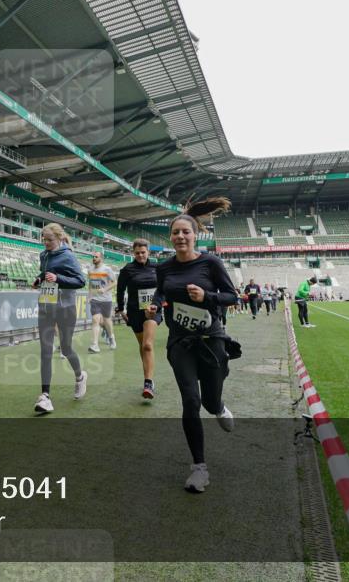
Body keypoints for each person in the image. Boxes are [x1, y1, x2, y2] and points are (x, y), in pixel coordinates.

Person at [147, 198, 238, 493]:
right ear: (171, 237)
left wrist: (206, 298)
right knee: (190, 401)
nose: (180, 237)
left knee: (209, 403)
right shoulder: (164, 267)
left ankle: (220, 406)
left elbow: (231, 297)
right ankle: (199, 468)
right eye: (175, 233)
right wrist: (156, 309)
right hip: (180, 342)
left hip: (211, 339)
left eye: (185, 232)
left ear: (195, 234)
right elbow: (160, 295)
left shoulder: (210, 262)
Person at [32, 223, 87, 414]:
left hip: (66, 308)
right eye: (44, 240)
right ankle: (45, 396)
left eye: (49, 240)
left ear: (59, 238)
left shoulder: (69, 256)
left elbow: (80, 281)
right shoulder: (43, 255)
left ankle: (80, 376)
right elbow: (44, 273)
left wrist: (58, 279)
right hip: (46, 306)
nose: (46, 243)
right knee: (45, 351)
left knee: (66, 347)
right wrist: (39, 280)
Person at [116, 239, 161, 399]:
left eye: (143, 252)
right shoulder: (127, 270)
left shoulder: (157, 267)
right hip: (135, 312)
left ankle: (148, 382)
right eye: (137, 253)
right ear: (133, 253)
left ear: (148, 252)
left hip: (153, 311)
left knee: (148, 345)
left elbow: (163, 287)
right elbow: (120, 290)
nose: (141, 255)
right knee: (143, 346)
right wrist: (121, 309)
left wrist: (161, 303)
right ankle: (147, 378)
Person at [87, 251, 117, 353]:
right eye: (93, 256)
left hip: (106, 299)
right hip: (95, 299)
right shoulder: (90, 270)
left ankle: (111, 337)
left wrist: (105, 289)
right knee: (95, 320)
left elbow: (114, 282)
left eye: (96, 256)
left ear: (101, 258)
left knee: (107, 321)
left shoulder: (107, 269)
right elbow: (90, 284)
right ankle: (95, 345)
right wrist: (89, 296)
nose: (94, 258)